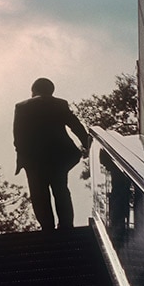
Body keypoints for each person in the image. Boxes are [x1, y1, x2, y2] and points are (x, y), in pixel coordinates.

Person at [13, 77, 91, 231]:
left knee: (39, 193)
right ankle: (66, 225)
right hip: (59, 156)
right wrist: (87, 144)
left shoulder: (22, 107)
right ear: (51, 91)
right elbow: (75, 125)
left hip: (34, 159)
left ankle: (47, 227)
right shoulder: (59, 104)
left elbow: (18, 136)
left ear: (33, 91)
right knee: (61, 189)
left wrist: (22, 157)